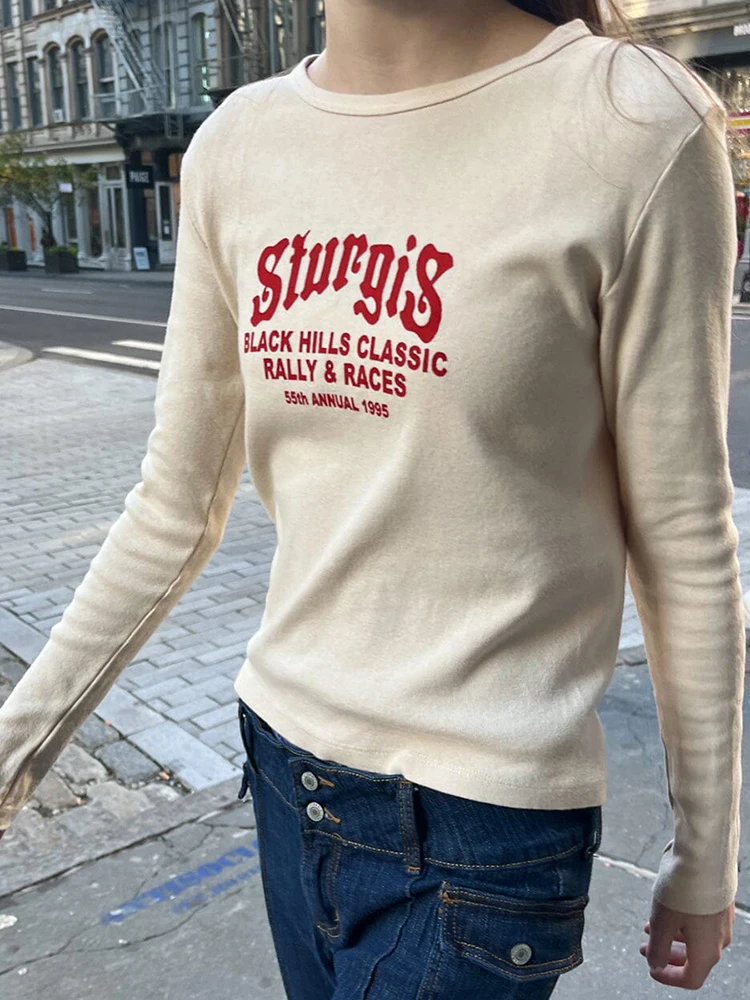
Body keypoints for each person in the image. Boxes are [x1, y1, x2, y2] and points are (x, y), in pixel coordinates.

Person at [0, 0, 743, 996]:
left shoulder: (632, 122)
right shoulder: (238, 145)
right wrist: (14, 752)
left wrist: (706, 851)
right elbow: (171, 508)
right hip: (282, 769)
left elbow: (684, 533)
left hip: (483, 830)